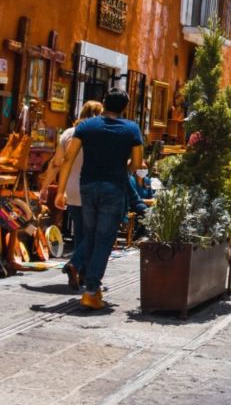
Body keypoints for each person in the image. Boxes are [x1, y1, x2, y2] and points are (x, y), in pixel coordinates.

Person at [55, 89, 144, 310]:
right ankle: (92, 290)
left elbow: (68, 158)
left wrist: (60, 190)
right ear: (124, 107)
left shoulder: (86, 126)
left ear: (104, 103)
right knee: (104, 238)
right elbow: (137, 162)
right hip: (113, 187)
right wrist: (124, 170)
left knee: (92, 233)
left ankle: (79, 267)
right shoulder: (131, 129)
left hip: (87, 186)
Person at [41, 100, 103, 285]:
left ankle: (80, 273)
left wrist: (45, 187)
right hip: (91, 187)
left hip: (70, 189)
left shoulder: (68, 134)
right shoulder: (99, 134)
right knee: (94, 233)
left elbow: (55, 163)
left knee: (81, 233)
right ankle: (77, 266)